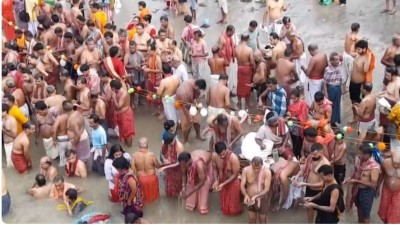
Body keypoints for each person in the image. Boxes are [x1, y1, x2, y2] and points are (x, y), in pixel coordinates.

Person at [294, 143, 331, 223]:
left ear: (321, 152)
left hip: (320, 191)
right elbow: (303, 169)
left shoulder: (325, 164)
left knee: (321, 211)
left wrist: (305, 184)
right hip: (309, 189)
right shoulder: (310, 157)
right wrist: (297, 176)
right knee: (308, 207)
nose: (313, 156)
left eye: (315, 154)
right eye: (312, 154)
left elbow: (323, 184)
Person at [345, 143, 381, 224]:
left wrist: (357, 181)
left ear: (368, 154)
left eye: (362, 154)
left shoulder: (374, 167)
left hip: (367, 192)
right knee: (359, 208)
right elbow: (356, 172)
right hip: (358, 190)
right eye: (359, 153)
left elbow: (373, 184)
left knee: (366, 214)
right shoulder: (360, 161)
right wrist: (350, 179)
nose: (359, 156)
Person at [212, 142, 241, 215]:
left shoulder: (233, 158)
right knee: (224, 205)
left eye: (223, 154)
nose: (222, 156)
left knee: (233, 208)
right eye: (220, 154)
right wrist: (216, 180)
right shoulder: (214, 156)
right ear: (216, 153)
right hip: (222, 182)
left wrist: (223, 184)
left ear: (226, 150)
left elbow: (235, 175)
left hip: (233, 183)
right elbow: (215, 169)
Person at [240, 156, 272, 223]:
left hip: (262, 199)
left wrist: (256, 197)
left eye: (258, 168)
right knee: (251, 219)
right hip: (250, 199)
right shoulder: (246, 170)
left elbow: (266, 189)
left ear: (262, 165)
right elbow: (242, 185)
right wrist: (245, 195)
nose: (256, 170)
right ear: (251, 164)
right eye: (254, 168)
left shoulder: (267, 172)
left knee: (262, 219)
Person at [175, 78, 207, 143]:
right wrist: (189, 118)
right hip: (181, 105)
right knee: (187, 124)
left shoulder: (194, 82)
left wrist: (196, 104)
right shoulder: (184, 92)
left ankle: (198, 136)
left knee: (197, 121)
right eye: (199, 89)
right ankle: (185, 140)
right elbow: (185, 107)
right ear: (196, 87)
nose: (200, 91)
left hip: (190, 102)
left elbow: (197, 96)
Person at [131, 138, 162, 204]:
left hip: (141, 179)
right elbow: (158, 166)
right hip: (152, 179)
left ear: (139, 146)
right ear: (147, 145)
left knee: (143, 199)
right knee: (154, 199)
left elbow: (133, 170)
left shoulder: (134, 155)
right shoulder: (151, 155)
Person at [110, 79, 135, 147]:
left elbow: (118, 106)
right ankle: (125, 147)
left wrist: (113, 97)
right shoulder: (118, 91)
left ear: (113, 88)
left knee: (128, 133)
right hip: (119, 115)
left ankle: (129, 147)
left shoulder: (123, 93)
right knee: (122, 132)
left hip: (125, 115)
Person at [378, 149, 400, 223]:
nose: (396, 165)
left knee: (396, 216)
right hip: (386, 191)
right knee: (384, 212)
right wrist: (377, 188)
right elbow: (381, 176)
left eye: (398, 164)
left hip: (398, 194)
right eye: (394, 163)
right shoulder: (385, 162)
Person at [350, 40, 375, 106]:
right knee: (353, 99)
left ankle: (360, 113)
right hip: (352, 83)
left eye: (358, 49)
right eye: (356, 49)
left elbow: (365, 70)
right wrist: (353, 43)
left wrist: (369, 57)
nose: (357, 50)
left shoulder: (366, 58)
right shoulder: (358, 54)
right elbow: (351, 53)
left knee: (358, 101)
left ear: (364, 49)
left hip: (359, 84)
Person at [287, 88, 309, 159]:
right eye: (292, 98)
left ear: (299, 97)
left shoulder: (303, 104)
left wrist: (295, 118)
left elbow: (304, 117)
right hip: (292, 124)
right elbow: (289, 109)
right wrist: (289, 113)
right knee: (292, 139)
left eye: (294, 98)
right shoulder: (291, 101)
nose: (293, 100)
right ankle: (294, 154)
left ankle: (299, 154)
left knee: (298, 141)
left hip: (299, 125)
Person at [160, 132, 184, 196]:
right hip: (168, 168)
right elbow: (161, 153)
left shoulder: (179, 146)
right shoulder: (164, 143)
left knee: (178, 186)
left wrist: (165, 167)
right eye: (168, 144)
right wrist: (164, 159)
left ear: (173, 139)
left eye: (170, 143)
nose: (170, 145)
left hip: (176, 168)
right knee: (168, 186)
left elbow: (179, 162)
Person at [235, 33, 255, 109]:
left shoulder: (236, 48)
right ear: (248, 40)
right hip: (247, 69)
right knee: (247, 85)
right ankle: (247, 103)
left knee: (239, 85)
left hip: (239, 68)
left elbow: (236, 58)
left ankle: (239, 102)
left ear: (241, 39)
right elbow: (252, 62)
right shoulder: (249, 49)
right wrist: (254, 68)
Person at [323, 52, 343, 127]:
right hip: (331, 89)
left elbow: (342, 59)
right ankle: (329, 121)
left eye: (338, 59)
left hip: (338, 89)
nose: (338, 61)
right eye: (336, 60)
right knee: (330, 106)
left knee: (337, 106)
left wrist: (342, 89)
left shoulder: (339, 65)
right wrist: (326, 94)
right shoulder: (327, 69)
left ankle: (334, 121)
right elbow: (324, 83)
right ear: (331, 61)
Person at [218, 25, 237, 95]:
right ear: (229, 31)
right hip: (225, 62)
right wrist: (225, 60)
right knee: (226, 77)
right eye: (232, 32)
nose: (233, 34)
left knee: (231, 77)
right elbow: (219, 51)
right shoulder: (222, 38)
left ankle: (229, 90)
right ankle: (226, 92)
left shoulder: (230, 37)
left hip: (230, 60)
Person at [343, 23, 361, 91]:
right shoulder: (357, 38)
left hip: (345, 53)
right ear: (358, 29)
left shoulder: (348, 34)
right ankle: (352, 89)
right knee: (352, 74)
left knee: (344, 72)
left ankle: (343, 88)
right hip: (350, 56)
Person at [2, 103, 17, 167]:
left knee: (14, 164)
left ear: (5, 111)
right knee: (9, 165)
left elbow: (14, 135)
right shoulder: (2, 119)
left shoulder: (12, 120)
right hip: (6, 145)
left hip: (12, 144)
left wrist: (3, 130)